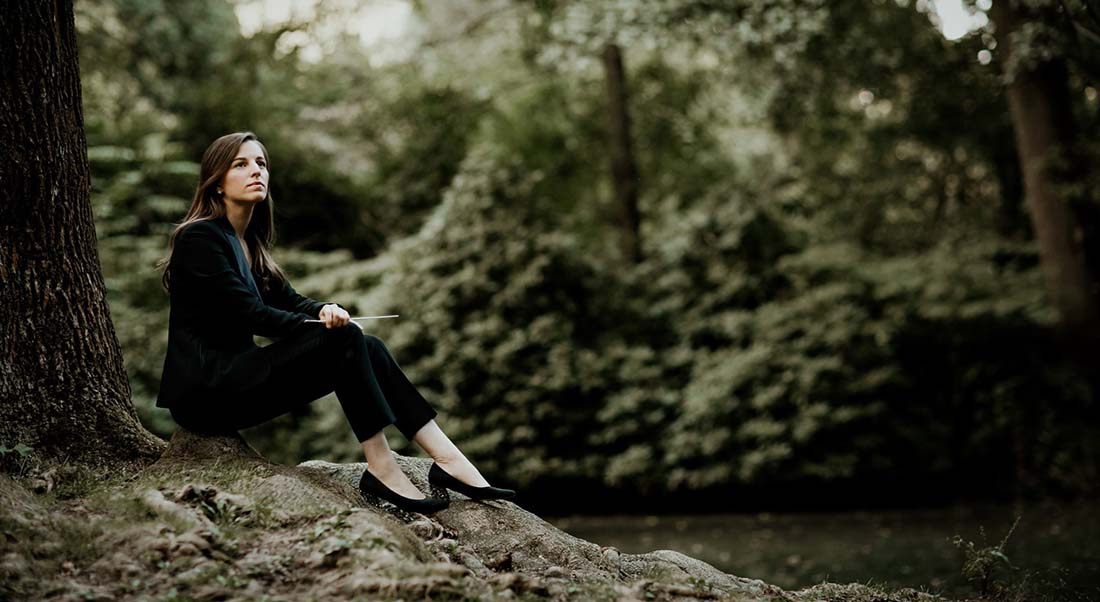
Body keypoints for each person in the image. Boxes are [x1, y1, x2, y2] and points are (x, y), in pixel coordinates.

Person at [154, 131, 514, 514]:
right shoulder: (200, 237)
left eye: (260, 163)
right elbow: (252, 315)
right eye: (240, 165)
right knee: (343, 341)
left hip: (238, 380)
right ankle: (381, 466)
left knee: (364, 341)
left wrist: (327, 310)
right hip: (208, 392)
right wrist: (325, 330)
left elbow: (290, 301)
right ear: (217, 182)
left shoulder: (248, 243)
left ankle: (449, 460)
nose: (255, 171)